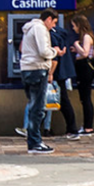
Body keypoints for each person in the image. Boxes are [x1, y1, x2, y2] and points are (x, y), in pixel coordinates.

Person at [20, 8, 64, 154]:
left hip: (28, 69)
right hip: (37, 70)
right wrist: (55, 52)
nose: (54, 26)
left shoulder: (30, 27)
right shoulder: (40, 28)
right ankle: (35, 143)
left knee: (34, 107)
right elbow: (43, 51)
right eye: (54, 22)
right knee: (38, 109)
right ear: (48, 19)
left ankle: (34, 141)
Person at [72, 13, 94, 136]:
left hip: (85, 70)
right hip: (84, 70)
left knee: (86, 98)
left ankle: (88, 128)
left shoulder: (86, 37)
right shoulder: (87, 37)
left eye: (74, 25)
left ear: (79, 25)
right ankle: (87, 127)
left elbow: (85, 53)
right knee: (84, 98)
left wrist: (77, 45)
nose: (73, 28)